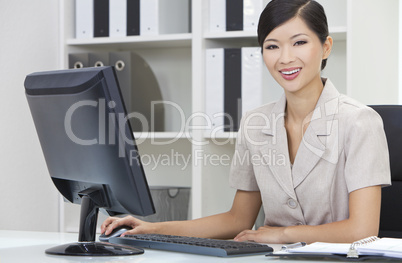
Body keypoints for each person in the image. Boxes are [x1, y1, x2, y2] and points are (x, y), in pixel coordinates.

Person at [101, 0, 391, 244]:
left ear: (326, 47)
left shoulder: (359, 122)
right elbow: (237, 219)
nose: (285, 58)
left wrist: (282, 235)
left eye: (299, 42)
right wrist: (152, 228)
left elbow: (362, 230)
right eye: (272, 46)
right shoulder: (255, 123)